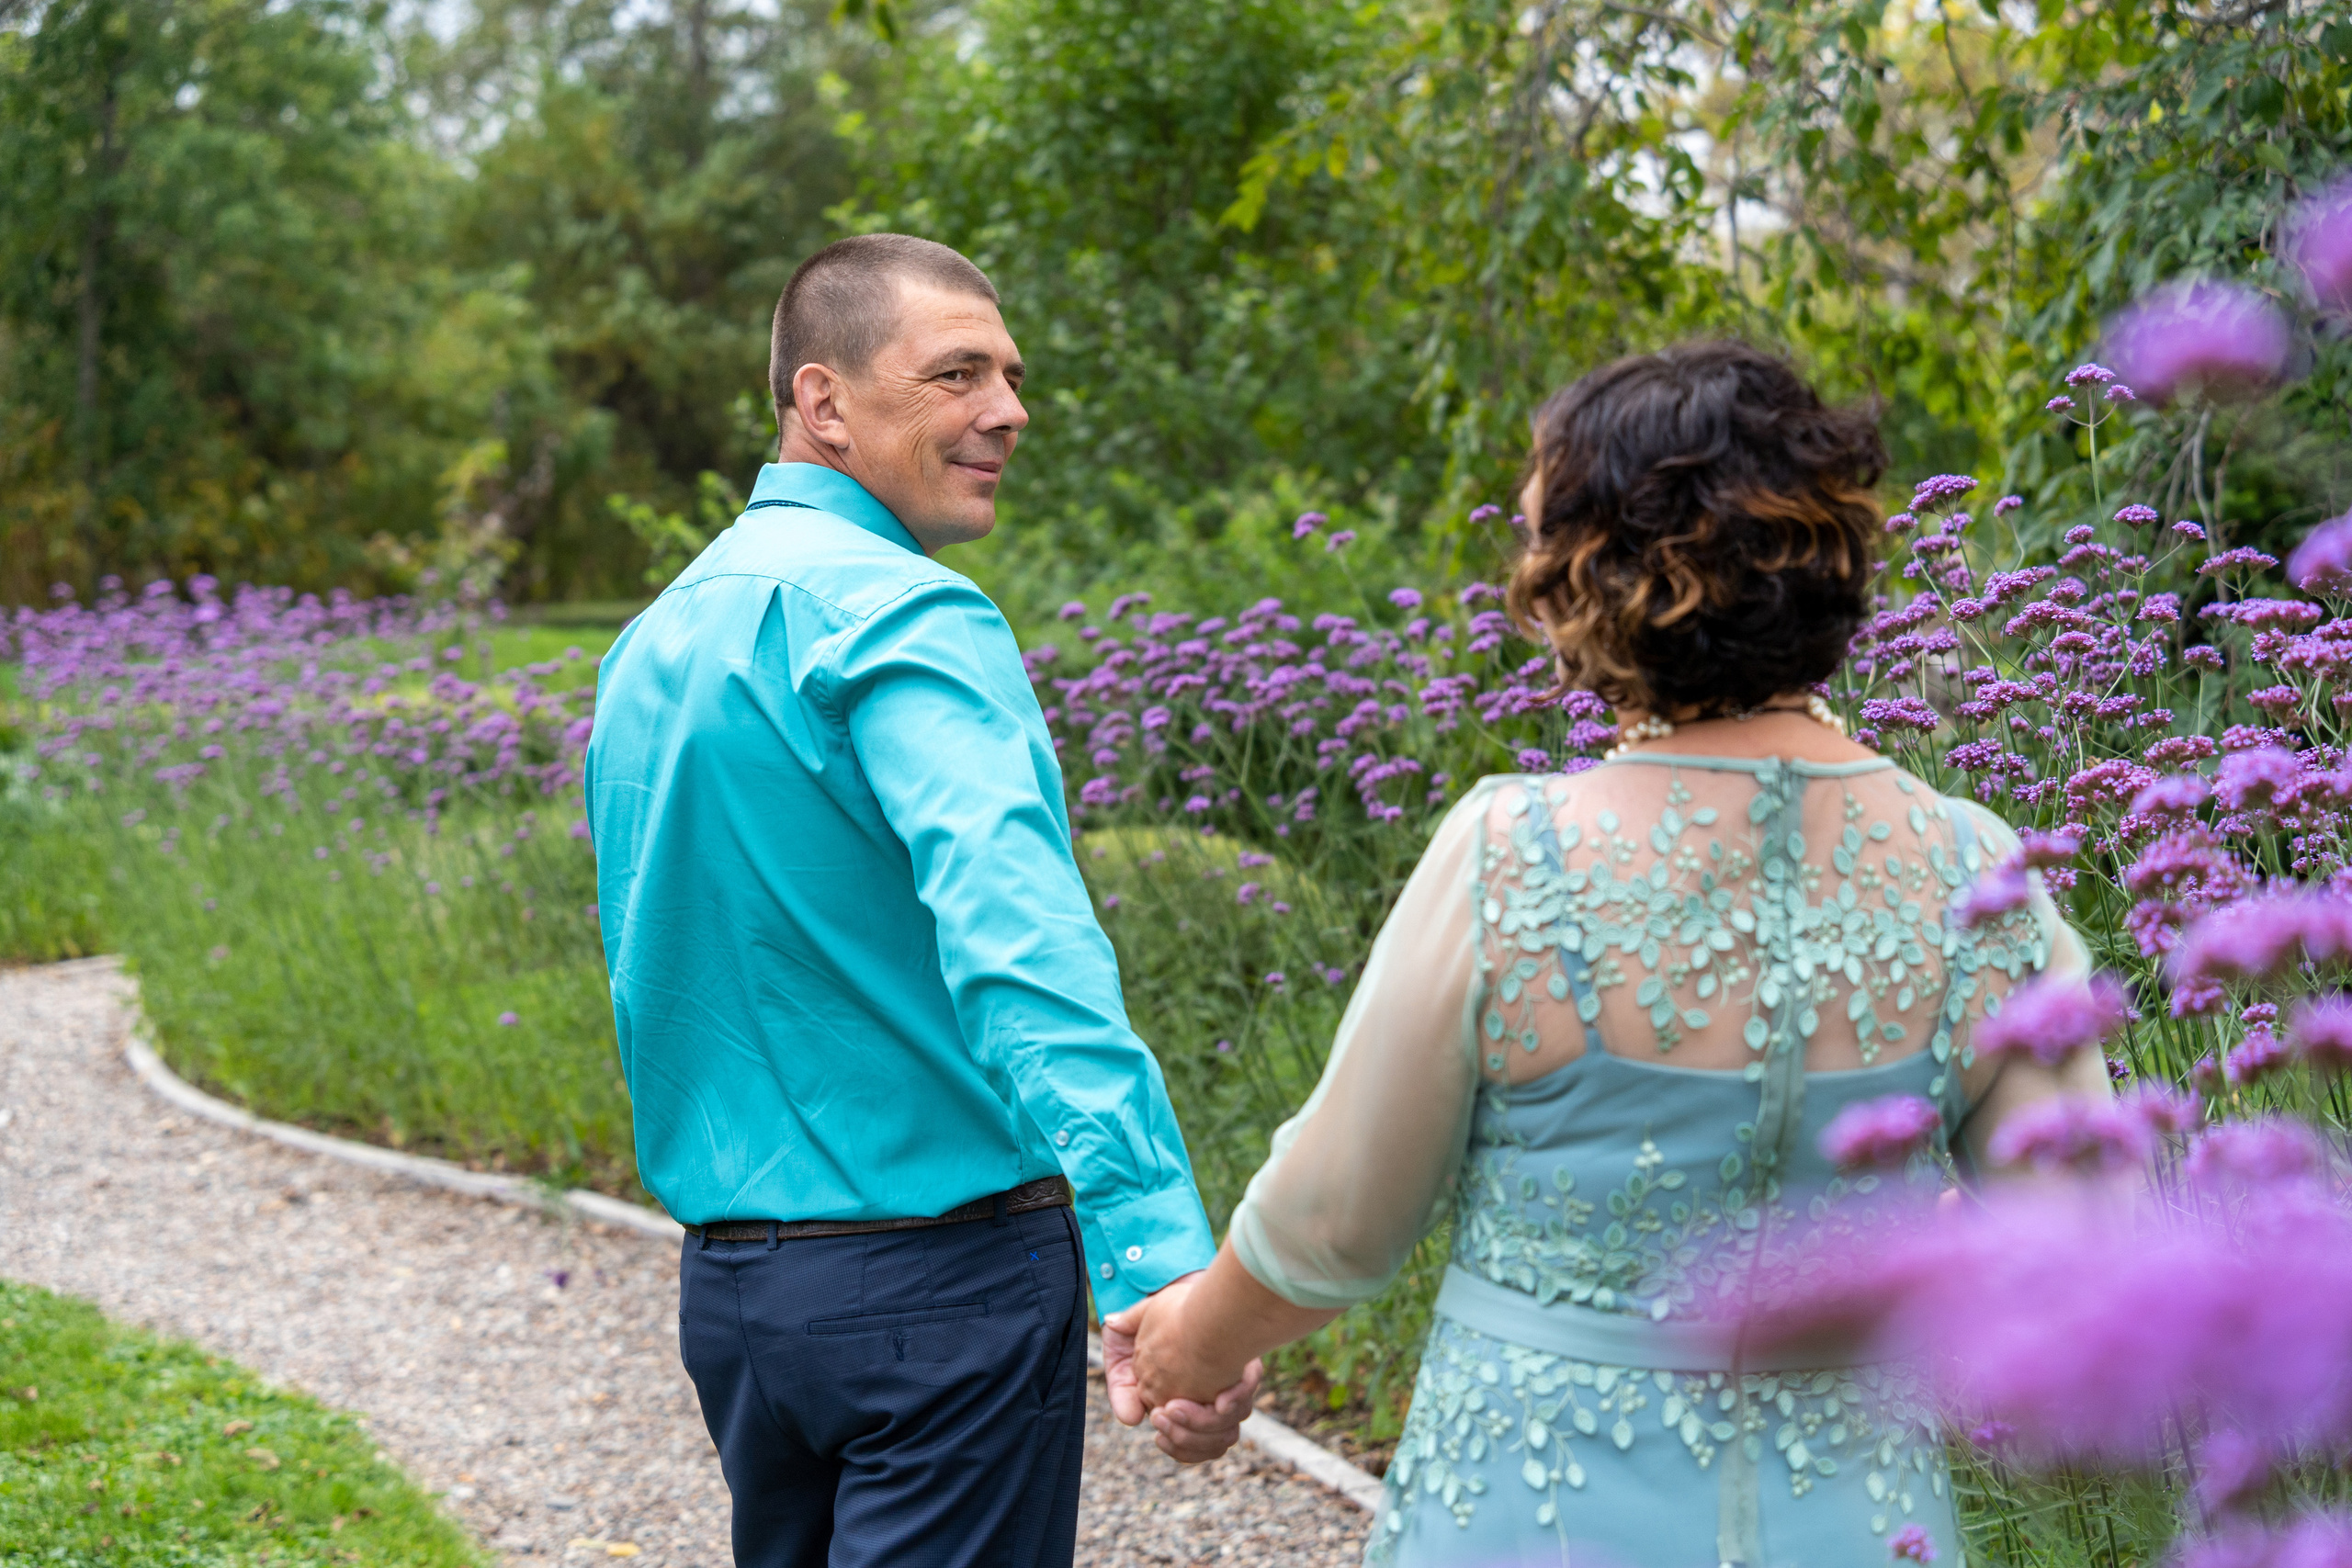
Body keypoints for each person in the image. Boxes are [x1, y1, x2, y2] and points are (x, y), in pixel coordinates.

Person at [1105, 341, 2115, 1567]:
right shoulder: (1975, 870)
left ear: (1597, 575)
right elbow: (2081, 1254)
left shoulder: (1511, 855)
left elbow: (1331, 1224)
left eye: (1539, 540)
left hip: (1528, 1522)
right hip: (1853, 1524)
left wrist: (1185, 1347)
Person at [585, 233, 1257, 1568]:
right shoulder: (907, 619)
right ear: (823, 401)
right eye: (957, 374)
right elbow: (1023, 952)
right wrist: (1159, 1259)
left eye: (1010, 376)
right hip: (938, 1294)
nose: (1008, 411)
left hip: (739, 1301)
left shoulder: (654, 639)